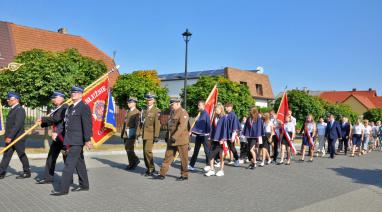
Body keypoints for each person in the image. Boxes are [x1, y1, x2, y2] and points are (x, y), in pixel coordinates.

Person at [51, 86, 93, 196]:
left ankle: (63, 189)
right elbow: (64, 123)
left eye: (76, 92)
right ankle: (84, 185)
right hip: (69, 139)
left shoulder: (84, 107)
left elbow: (87, 124)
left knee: (69, 164)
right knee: (79, 163)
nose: (73, 94)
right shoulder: (70, 108)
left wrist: (87, 139)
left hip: (77, 140)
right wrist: (57, 132)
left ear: (81, 94)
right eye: (72, 92)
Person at [36, 91, 69, 184]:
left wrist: (43, 119)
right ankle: (48, 178)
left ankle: (68, 179)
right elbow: (53, 121)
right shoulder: (58, 108)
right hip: (56, 138)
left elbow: (57, 119)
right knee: (51, 157)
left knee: (67, 159)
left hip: (63, 137)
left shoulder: (65, 107)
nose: (52, 100)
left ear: (60, 98)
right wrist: (42, 123)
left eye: (54, 98)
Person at [155, 97, 190, 181]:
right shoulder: (172, 112)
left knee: (183, 159)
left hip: (181, 140)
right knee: (167, 157)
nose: (171, 106)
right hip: (172, 140)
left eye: (172, 104)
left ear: (178, 103)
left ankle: (184, 175)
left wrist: (174, 137)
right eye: (171, 104)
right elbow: (170, 126)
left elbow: (182, 127)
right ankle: (162, 174)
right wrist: (168, 136)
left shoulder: (183, 112)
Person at [0, 92, 30, 179]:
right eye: (8, 99)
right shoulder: (13, 109)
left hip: (17, 138)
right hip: (11, 137)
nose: (8, 100)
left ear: (16, 100)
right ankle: (1, 172)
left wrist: (10, 136)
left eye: (10, 99)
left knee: (21, 154)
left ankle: (27, 172)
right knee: (7, 155)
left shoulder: (20, 109)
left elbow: (17, 125)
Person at [137, 92, 161, 176]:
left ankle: (151, 168)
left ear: (154, 100)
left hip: (151, 134)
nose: (148, 101)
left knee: (148, 151)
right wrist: (138, 133)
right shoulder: (144, 110)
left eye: (150, 100)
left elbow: (157, 124)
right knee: (144, 152)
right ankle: (149, 168)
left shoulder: (156, 110)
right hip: (144, 134)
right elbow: (140, 123)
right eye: (147, 99)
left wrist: (156, 135)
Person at [205, 103, 228, 177]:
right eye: (215, 109)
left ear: (221, 109)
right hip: (214, 139)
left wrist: (223, 138)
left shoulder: (224, 118)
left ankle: (221, 170)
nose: (215, 110)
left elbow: (225, 129)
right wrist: (210, 137)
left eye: (216, 109)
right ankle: (212, 170)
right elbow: (212, 128)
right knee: (210, 155)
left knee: (221, 156)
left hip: (221, 140)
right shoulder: (215, 118)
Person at [189, 100, 211, 172]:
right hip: (199, 135)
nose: (198, 106)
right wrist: (192, 130)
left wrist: (209, 134)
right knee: (196, 150)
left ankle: (208, 165)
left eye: (200, 105)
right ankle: (191, 165)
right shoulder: (200, 114)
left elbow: (207, 125)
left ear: (203, 106)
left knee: (206, 151)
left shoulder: (205, 114)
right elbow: (198, 125)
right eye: (198, 105)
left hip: (205, 135)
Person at [121, 97, 141, 170]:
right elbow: (125, 123)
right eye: (128, 102)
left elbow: (137, 125)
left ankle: (134, 161)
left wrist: (137, 135)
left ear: (134, 103)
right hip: (126, 133)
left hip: (131, 133)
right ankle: (133, 162)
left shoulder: (137, 112)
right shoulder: (128, 111)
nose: (128, 103)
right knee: (127, 149)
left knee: (129, 149)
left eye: (130, 102)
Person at [224, 103, 241, 167]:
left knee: (232, 147)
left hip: (231, 134)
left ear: (230, 107)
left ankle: (236, 159)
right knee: (224, 147)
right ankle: (219, 159)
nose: (226, 108)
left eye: (227, 107)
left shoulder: (233, 115)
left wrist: (233, 135)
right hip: (226, 134)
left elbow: (235, 126)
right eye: (225, 107)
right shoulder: (226, 115)